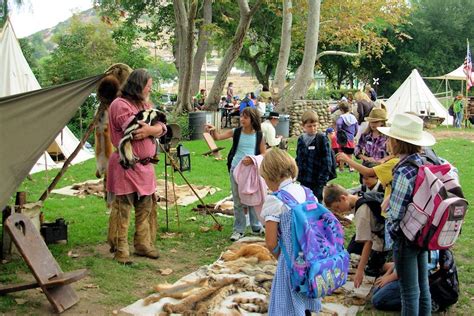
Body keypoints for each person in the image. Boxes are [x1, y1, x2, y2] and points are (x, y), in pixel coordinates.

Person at [377, 112, 436, 315]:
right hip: (422, 232)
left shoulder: (403, 170)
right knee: (422, 288)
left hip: (405, 237)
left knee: (409, 292)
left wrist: (389, 207)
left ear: (396, 141)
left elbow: (398, 212)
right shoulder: (422, 162)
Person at [107, 69, 167, 264]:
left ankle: (142, 244)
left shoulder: (143, 103)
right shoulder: (120, 104)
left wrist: (153, 129)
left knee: (145, 208)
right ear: (138, 85)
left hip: (145, 167)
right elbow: (135, 128)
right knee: (122, 209)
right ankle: (121, 249)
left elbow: (162, 126)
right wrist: (152, 127)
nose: (150, 89)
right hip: (126, 166)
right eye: (148, 85)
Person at [260, 149, 321, 315]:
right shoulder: (308, 193)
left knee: (286, 305)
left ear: (271, 175)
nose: (265, 183)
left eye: (265, 179)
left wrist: (282, 257)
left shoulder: (276, 200)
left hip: (290, 262)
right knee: (305, 300)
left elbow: (271, 242)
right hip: (311, 257)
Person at [204, 107, 266, 241]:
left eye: (245, 117)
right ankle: (239, 229)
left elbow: (264, 153)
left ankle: (256, 226)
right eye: (241, 117)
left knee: (252, 199)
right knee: (237, 201)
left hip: (251, 172)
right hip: (235, 170)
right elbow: (218, 137)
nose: (242, 119)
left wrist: (253, 159)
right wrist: (213, 130)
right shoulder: (236, 132)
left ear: (253, 119)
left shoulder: (259, 135)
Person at [324, 184, 387, 286]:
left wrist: (360, 270)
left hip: (380, 243)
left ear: (343, 198)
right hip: (375, 234)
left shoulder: (362, 212)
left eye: (337, 207)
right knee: (351, 253)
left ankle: (392, 267)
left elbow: (368, 242)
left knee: (371, 269)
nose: (338, 211)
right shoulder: (359, 197)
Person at [295, 110, 332, 201]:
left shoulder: (321, 138)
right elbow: (299, 158)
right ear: (303, 126)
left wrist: (322, 180)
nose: (313, 128)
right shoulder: (301, 139)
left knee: (316, 203)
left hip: (317, 180)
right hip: (304, 178)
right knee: (305, 202)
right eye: (309, 126)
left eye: (315, 125)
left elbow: (327, 161)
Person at [335, 101, 358, 172]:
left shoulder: (342, 118)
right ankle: (351, 168)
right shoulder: (353, 117)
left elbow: (338, 123)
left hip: (343, 138)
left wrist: (339, 131)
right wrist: (354, 134)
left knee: (342, 153)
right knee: (350, 153)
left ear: (341, 110)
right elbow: (356, 128)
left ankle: (341, 168)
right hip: (351, 138)